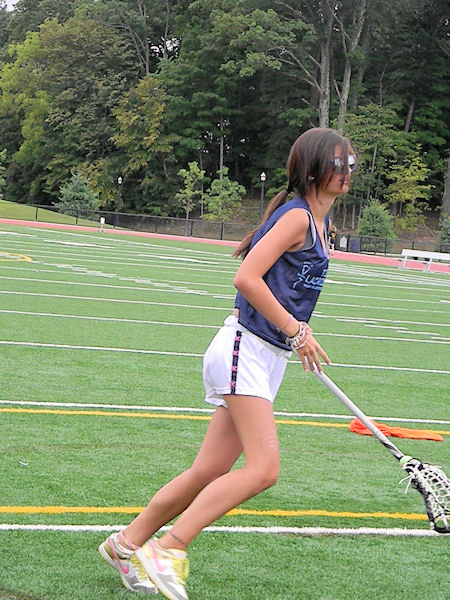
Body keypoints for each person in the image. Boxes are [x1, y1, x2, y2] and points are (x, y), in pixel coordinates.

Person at [98, 127, 357, 600]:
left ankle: (126, 544)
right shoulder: (297, 218)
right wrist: (295, 330)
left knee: (209, 470)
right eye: (338, 163)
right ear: (314, 168)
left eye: (351, 163)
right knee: (264, 469)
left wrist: (298, 331)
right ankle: (169, 547)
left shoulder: (322, 225)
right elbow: (246, 277)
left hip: (265, 355)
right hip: (245, 350)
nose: (346, 171)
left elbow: (281, 290)